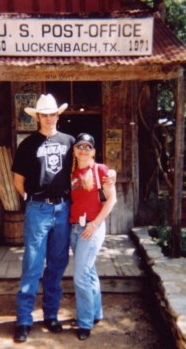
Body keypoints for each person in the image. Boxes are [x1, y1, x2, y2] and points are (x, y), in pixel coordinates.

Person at [11, 94, 115, 343]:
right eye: (44, 114)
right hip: (38, 209)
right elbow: (18, 179)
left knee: (56, 265)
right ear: (37, 117)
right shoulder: (28, 144)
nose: (49, 118)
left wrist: (109, 173)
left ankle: (50, 315)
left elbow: (87, 161)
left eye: (52, 114)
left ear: (58, 115)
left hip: (63, 211)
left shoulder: (69, 142)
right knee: (32, 264)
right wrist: (31, 200)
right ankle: (24, 319)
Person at [70, 133, 117, 341]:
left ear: (94, 151)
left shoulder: (101, 171)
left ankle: (84, 323)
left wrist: (95, 223)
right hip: (73, 228)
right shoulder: (69, 172)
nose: (83, 150)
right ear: (74, 150)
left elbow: (111, 200)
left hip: (92, 228)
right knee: (88, 272)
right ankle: (96, 313)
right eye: (80, 146)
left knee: (80, 275)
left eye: (88, 146)